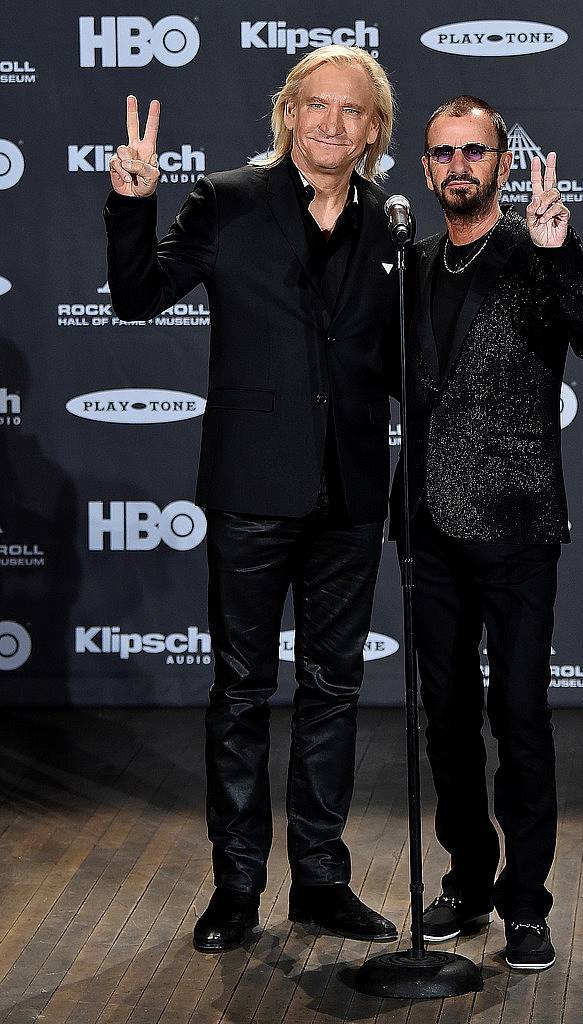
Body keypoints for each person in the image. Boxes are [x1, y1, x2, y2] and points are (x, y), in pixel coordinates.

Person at [104, 46, 401, 951]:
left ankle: (319, 880)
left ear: (373, 131)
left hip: (349, 492)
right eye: (316, 106)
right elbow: (135, 296)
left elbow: (396, 363)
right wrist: (133, 200)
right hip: (250, 489)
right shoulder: (228, 201)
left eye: (351, 112)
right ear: (288, 113)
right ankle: (236, 886)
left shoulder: (390, 227)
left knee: (333, 689)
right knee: (240, 692)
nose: (330, 124)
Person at [391, 95, 583, 970]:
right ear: (425, 169)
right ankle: (469, 881)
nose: (459, 165)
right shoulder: (407, 266)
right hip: (426, 528)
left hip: (518, 524)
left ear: (500, 161)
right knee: (445, 722)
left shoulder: (535, 255)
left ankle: (527, 903)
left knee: (519, 716)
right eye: (443, 153)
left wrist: (563, 251)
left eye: (474, 151)